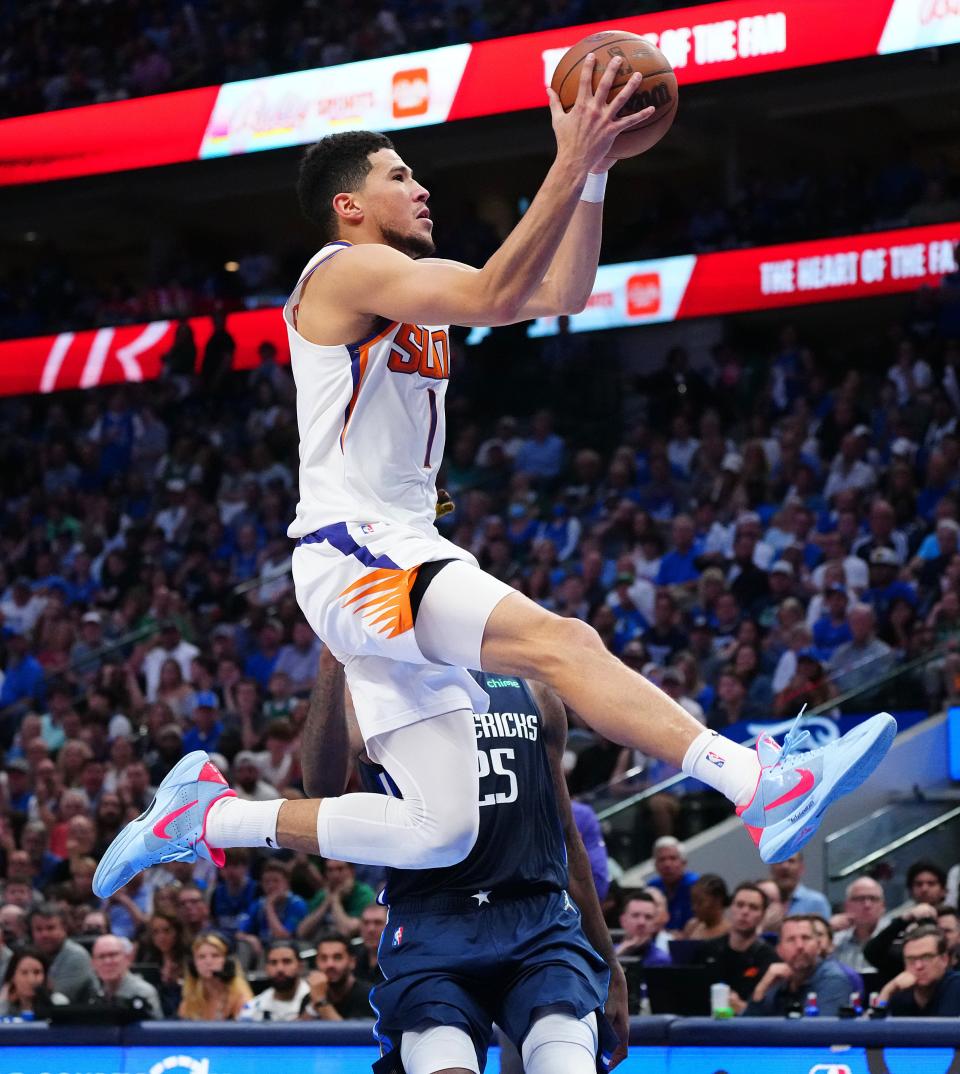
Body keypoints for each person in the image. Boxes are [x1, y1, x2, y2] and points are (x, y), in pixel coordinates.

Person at [93, 70, 895, 904]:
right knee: (567, 645)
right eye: (398, 175)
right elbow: (497, 291)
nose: (421, 184)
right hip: (357, 549)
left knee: (442, 830)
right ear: (350, 207)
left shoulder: (409, 281)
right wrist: (571, 151)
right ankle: (757, 782)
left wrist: (594, 171)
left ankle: (206, 817)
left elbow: (558, 294)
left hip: (381, 553)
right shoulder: (341, 272)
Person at [303, 653, 628, 1073]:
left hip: (536, 920)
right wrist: (331, 666)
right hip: (433, 927)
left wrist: (610, 964)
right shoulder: (369, 690)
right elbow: (320, 787)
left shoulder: (527, 682)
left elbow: (565, 834)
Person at [743, 914, 851, 1016]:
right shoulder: (777, 980)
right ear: (779, 950)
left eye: (806, 938)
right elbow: (745, 1032)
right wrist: (760, 989)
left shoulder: (833, 979)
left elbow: (817, 1032)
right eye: (791, 939)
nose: (799, 946)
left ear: (818, 947)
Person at [695, 882, 777, 1014]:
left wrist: (744, 1008)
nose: (745, 912)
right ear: (730, 908)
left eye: (753, 907)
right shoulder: (707, 950)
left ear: (762, 915)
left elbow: (771, 1010)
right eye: (740, 905)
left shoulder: (769, 959)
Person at [879, 925, 960, 1016]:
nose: (918, 966)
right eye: (911, 959)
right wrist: (887, 990)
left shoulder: (956, 985)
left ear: (944, 959)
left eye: (926, 957)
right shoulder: (900, 993)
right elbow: (875, 1021)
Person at [78, 934, 163, 1018]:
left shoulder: (143, 992)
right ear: (93, 964)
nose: (107, 961)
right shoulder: (94, 996)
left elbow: (154, 1029)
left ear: (127, 959)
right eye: (101, 956)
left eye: (113, 955)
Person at [29, 902, 96, 1001]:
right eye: (38, 929)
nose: (44, 934)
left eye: (50, 928)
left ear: (64, 928)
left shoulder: (76, 956)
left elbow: (55, 1000)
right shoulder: (30, 955)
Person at [178, 931, 252, 1021]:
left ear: (228, 962)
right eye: (201, 957)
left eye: (215, 956)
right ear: (193, 965)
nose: (208, 962)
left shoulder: (241, 1000)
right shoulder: (188, 1003)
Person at [302, 933, 373, 1021]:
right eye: (323, 958)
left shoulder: (371, 997)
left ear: (352, 962)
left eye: (337, 957)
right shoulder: (311, 997)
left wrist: (321, 1001)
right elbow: (295, 1034)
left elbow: (349, 1034)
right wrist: (312, 1006)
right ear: (316, 962)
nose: (330, 964)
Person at [239, 940, 312, 1021]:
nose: (279, 969)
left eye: (287, 962)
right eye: (273, 963)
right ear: (266, 968)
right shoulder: (253, 1009)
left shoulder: (316, 1002)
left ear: (300, 966)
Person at [832, 876, 886, 972]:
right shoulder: (836, 942)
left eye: (873, 899)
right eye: (860, 899)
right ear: (847, 906)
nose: (867, 905)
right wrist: (827, 929)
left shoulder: (894, 940)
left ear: (883, 906)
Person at [646, 837, 698, 933]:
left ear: (684, 863)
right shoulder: (652, 887)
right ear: (655, 865)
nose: (667, 864)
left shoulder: (696, 885)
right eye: (662, 859)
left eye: (673, 858)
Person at [0, 946, 68, 1017]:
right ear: (12, 977)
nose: (31, 980)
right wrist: (4, 1001)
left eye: (37, 972)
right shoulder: (5, 1005)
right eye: (24, 973)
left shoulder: (58, 1002)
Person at [616, 890, 672, 965]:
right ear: (623, 920)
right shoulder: (605, 953)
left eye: (648, 917)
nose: (641, 922)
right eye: (635, 915)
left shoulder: (660, 960)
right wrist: (617, 954)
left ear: (655, 924)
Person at [768, 852, 831, 918]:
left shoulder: (816, 902)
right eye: (779, 861)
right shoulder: (762, 900)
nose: (785, 866)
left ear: (801, 868)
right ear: (771, 867)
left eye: (791, 861)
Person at [681, 874, 730, 940]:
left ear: (717, 900)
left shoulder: (730, 932)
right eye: (693, 902)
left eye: (700, 902)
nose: (693, 908)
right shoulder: (691, 927)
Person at [353, 903, 388, 984]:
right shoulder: (353, 958)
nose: (371, 929)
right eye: (366, 923)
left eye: (378, 923)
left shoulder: (401, 961)